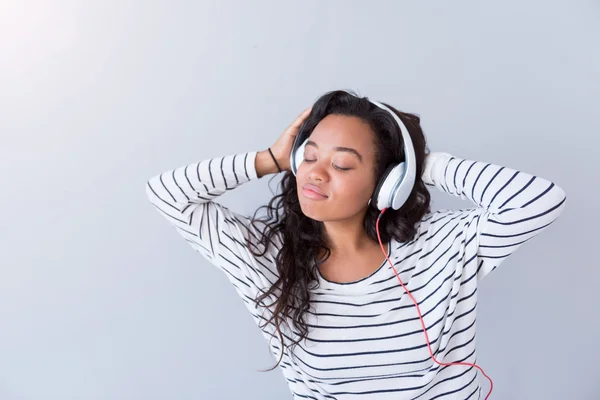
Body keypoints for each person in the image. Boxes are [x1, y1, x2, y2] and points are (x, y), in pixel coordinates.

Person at [145, 90, 566, 399]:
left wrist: (419, 163)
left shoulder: (444, 244)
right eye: (307, 157)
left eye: (342, 163)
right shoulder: (264, 255)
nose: (315, 174)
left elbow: (539, 200)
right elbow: (166, 194)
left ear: (386, 182)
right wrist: (268, 159)